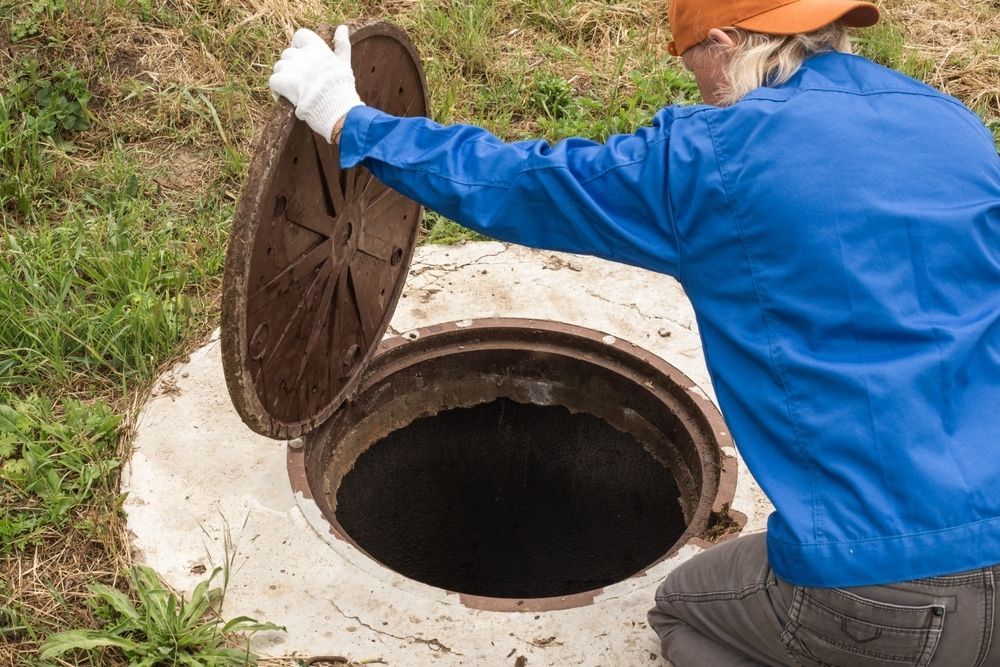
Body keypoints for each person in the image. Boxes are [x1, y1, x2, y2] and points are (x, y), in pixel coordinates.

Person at [269, 0, 1000, 663]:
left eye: (697, 71)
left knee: (684, 614)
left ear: (723, 43)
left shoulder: (713, 160)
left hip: (880, 589)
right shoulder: (955, 127)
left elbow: (522, 182)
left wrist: (349, 120)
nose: (703, 94)